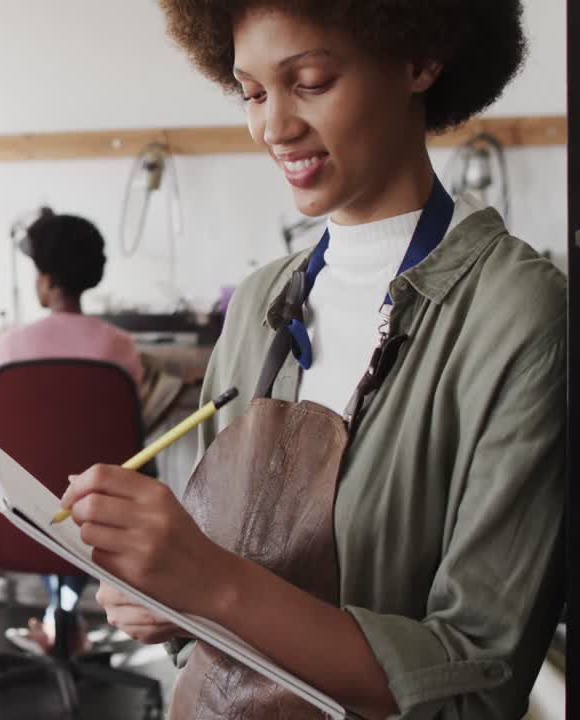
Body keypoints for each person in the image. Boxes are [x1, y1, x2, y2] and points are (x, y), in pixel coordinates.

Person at [63, 3, 563, 718]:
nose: (274, 128)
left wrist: (209, 584)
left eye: (312, 81)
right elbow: (212, 597)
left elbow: (477, 687)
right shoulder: (260, 301)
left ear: (419, 60)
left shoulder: (516, 317)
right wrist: (164, 595)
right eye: (254, 93)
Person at [0, 210, 143, 657]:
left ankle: (65, 624)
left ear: (46, 277)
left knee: (42, 487)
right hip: (98, 508)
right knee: (75, 491)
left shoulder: (10, 346)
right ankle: (68, 622)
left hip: (30, 511)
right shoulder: (118, 345)